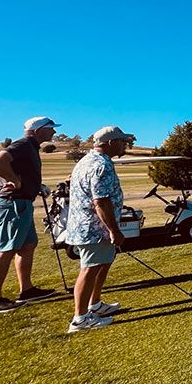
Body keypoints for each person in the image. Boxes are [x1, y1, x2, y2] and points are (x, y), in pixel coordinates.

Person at [0, 117, 60, 314]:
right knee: (7, 249)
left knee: (28, 245)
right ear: (37, 130)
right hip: (13, 204)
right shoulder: (24, 144)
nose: (53, 132)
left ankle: (26, 290)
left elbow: (21, 171)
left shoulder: (31, 147)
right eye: (50, 129)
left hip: (21, 203)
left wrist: (35, 186)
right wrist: (15, 181)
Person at [65, 126, 132, 333]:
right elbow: (100, 202)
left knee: (102, 264)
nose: (124, 144)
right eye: (121, 141)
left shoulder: (87, 160)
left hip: (91, 226)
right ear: (110, 143)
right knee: (90, 268)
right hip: (94, 227)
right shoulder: (101, 165)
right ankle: (80, 319)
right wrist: (114, 230)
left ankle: (95, 304)